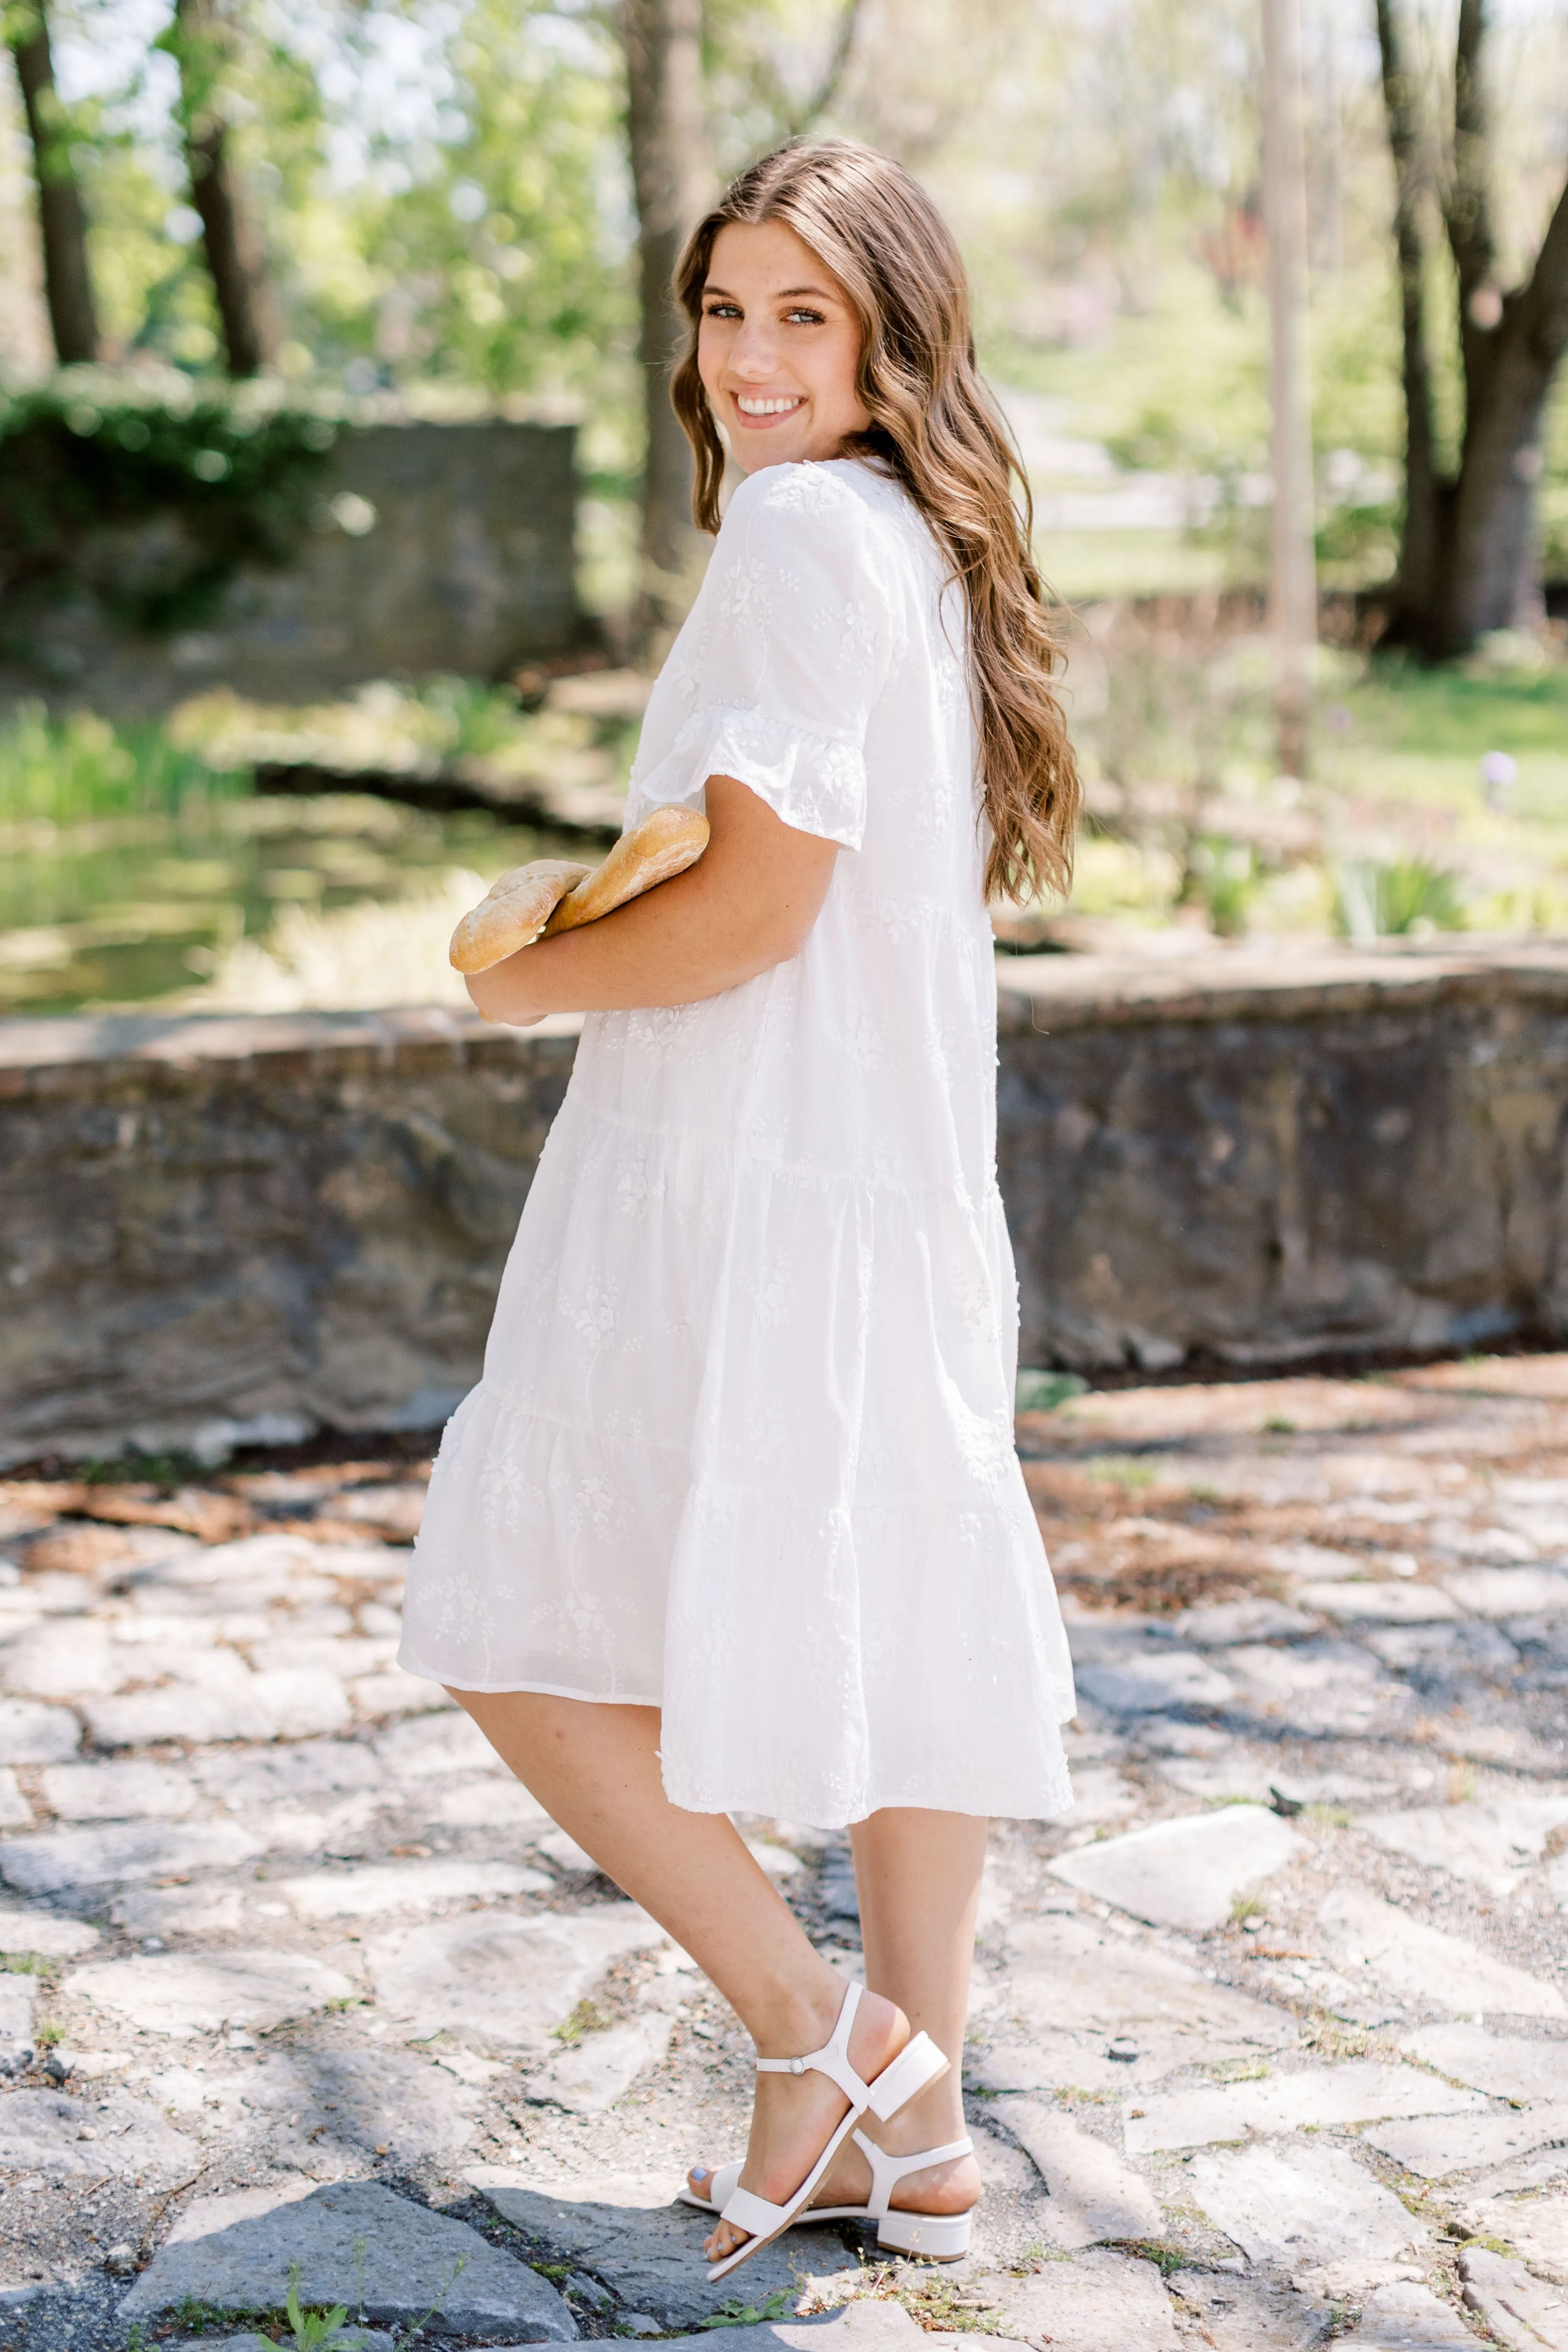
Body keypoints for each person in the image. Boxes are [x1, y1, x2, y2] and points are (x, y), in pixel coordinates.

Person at [398, 137, 1080, 2279]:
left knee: (505, 1614)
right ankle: (927, 2128)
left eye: (806, 314)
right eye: (725, 311)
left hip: (727, 1168)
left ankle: (821, 2032)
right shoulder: (915, 532)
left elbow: (754, 911)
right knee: (903, 1615)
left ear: (889, 342)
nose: (755, 356)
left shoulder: (801, 526)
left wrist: (523, 981)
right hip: (878, 1175)